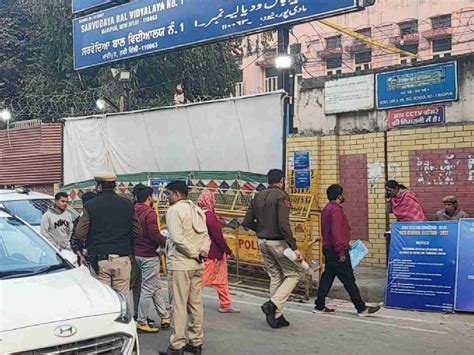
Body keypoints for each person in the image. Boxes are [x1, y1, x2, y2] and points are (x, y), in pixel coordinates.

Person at [242, 169, 302, 329]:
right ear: (281, 180)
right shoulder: (282, 196)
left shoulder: (257, 196)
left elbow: (246, 222)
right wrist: (294, 246)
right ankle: (273, 304)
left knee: (275, 275)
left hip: (262, 241)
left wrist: (261, 229)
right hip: (278, 242)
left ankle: (277, 315)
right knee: (293, 275)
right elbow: (284, 224)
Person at [159, 181, 211, 355]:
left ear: (176, 194)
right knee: (195, 303)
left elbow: (177, 239)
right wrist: (201, 253)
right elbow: (206, 236)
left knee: (179, 304)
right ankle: (196, 342)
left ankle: (177, 345)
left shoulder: (174, 211)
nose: (167, 198)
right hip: (197, 264)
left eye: (168, 194)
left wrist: (193, 253)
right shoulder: (197, 210)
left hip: (181, 264)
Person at [314, 184, 380, 317]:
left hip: (329, 248)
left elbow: (330, 232)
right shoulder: (336, 210)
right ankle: (361, 308)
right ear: (339, 196)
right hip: (337, 251)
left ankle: (319, 305)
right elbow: (337, 232)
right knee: (349, 280)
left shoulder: (326, 209)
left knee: (328, 277)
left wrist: (344, 245)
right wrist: (342, 251)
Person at [75, 172, 142, 302]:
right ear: (114, 186)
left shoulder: (90, 206)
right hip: (123, 258)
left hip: (100, 260)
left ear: (99, 186)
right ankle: (123, 322)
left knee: (104, 299)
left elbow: (80, 233)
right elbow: (138, 232)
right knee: (122, 299)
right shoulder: (127, 204)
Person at [133, 184, 171, 333]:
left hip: (136, 253)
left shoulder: (133, 210)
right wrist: (167, 240)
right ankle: (142, 321)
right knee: (148, 288)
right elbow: (155, 235)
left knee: (155, 285)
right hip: (149, 254)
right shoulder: (149, 213)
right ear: (149, 197)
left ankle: (164, 316)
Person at [197, 190, 240, 314]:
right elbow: (217, 236)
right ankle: (184, 302)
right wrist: (228, 250)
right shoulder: (209, 215)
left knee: (220, 280)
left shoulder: (198, 213)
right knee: (201, 280)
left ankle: (225, 303)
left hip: (207, 252)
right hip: (213, 253)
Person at [71, 191, 97, 266]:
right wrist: (81, 256)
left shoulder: (100, 218)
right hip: (85, 258)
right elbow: (74, 241)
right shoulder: (79, 220)